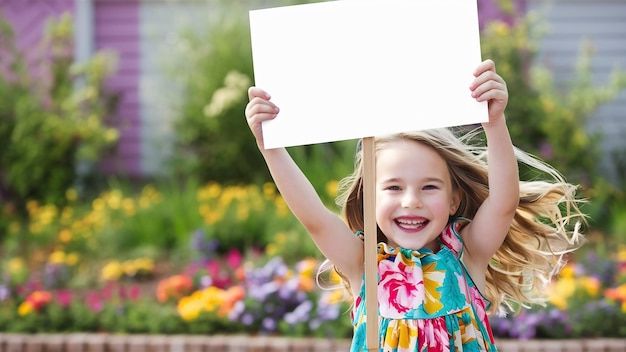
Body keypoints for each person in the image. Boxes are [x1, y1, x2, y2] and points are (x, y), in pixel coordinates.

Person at [244, 59, 585, 351]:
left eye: (429, 187)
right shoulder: (362, 265)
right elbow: (315, 218)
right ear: (370, 199)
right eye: (393, 187)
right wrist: (269, 146)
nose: (411, 201)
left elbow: (503, 204)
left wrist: (494, 124)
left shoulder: (468, 257)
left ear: (453, 200)